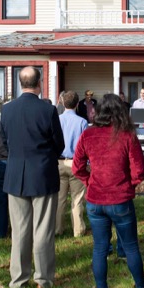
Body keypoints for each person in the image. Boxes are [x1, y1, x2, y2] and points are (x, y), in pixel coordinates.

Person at [72, 93, 144, 288]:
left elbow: (77, 167)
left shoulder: (88, 135)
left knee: (100, 248)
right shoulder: (127, 135)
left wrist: (90, 182)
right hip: (119, 199)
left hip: (96, 201)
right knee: (130, 247)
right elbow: (139, 170)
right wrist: (129, 185)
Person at [0, 67, 65, 288]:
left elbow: (4, 141)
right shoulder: (48, 110)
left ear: (20, 84)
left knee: (19, 230)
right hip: (43, 173)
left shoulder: (7, 109)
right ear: (39, 83)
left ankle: (18, 280)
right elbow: (59, 144)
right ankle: (43, 279)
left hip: (16, 173)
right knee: (43, 230)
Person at [56, 91, 88, 237]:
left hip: (60, 162)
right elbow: (85, 146)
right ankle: (78, 230)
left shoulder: (57, 120)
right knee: (77, 199)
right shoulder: (82, 122)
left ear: (63, 103)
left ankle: (57, 229)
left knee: (59, 199)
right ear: (77, 104)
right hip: (76, 162)